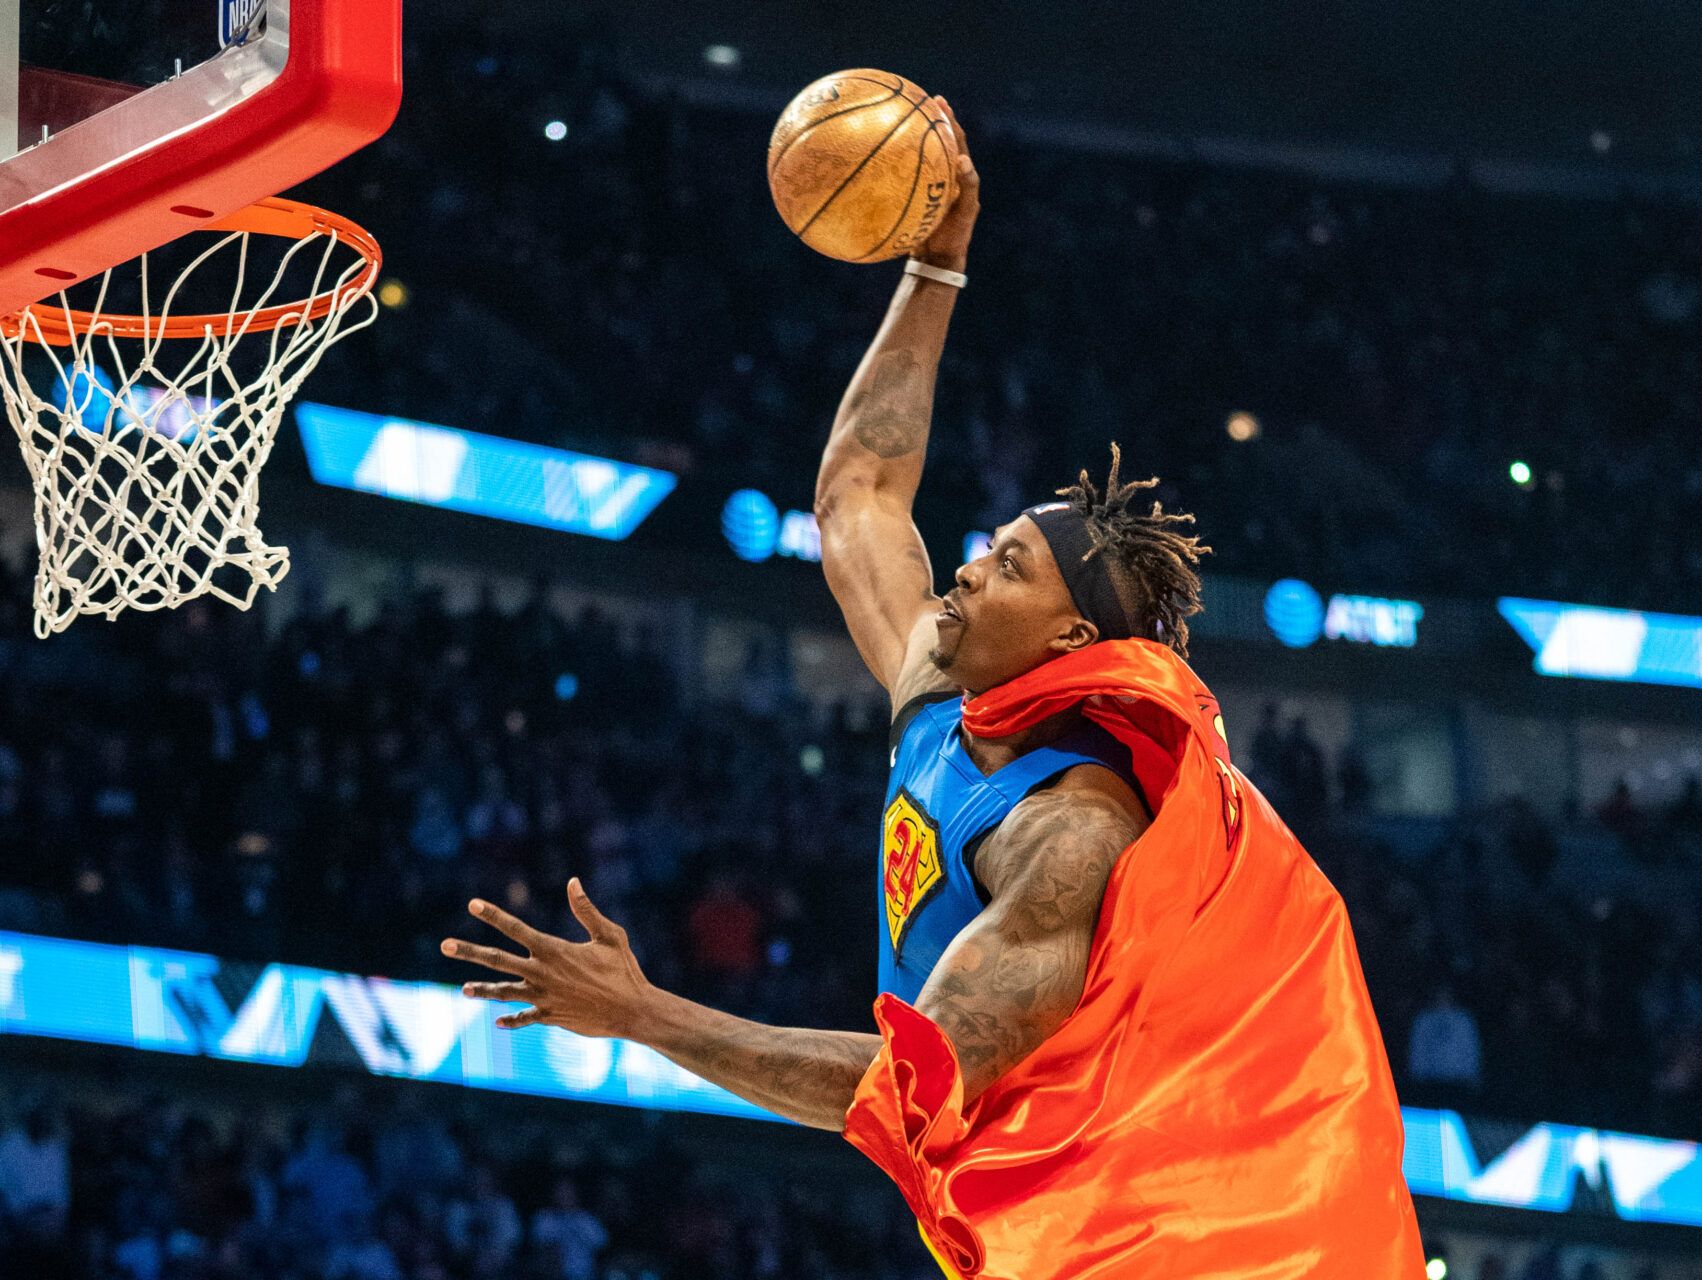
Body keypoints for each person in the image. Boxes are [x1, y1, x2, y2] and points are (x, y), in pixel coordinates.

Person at [445, 99, 1423, 1279]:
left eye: (1007, 565)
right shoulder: (939, 687)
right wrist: (935, 267)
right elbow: (859, 491)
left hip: (1126, 1239)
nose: (965, 566)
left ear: (1070, 633)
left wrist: (645, 1014)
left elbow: (910, 1085)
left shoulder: (1070, 832)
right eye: (987, 543)